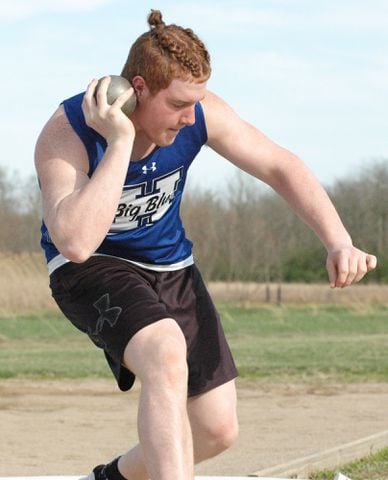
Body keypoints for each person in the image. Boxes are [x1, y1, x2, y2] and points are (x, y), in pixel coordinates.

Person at [34, 9, 377, 480]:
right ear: (139, 88)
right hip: (93, 266)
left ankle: (110, 479)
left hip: (171, 265)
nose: (190, 116)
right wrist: (118, 143)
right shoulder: (68, 131)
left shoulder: (199, 113)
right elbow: (74, 241)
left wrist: (339, 240)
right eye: (178, 104)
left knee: (215, 430)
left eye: (196, 102)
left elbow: (280, 165)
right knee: (164, 348)